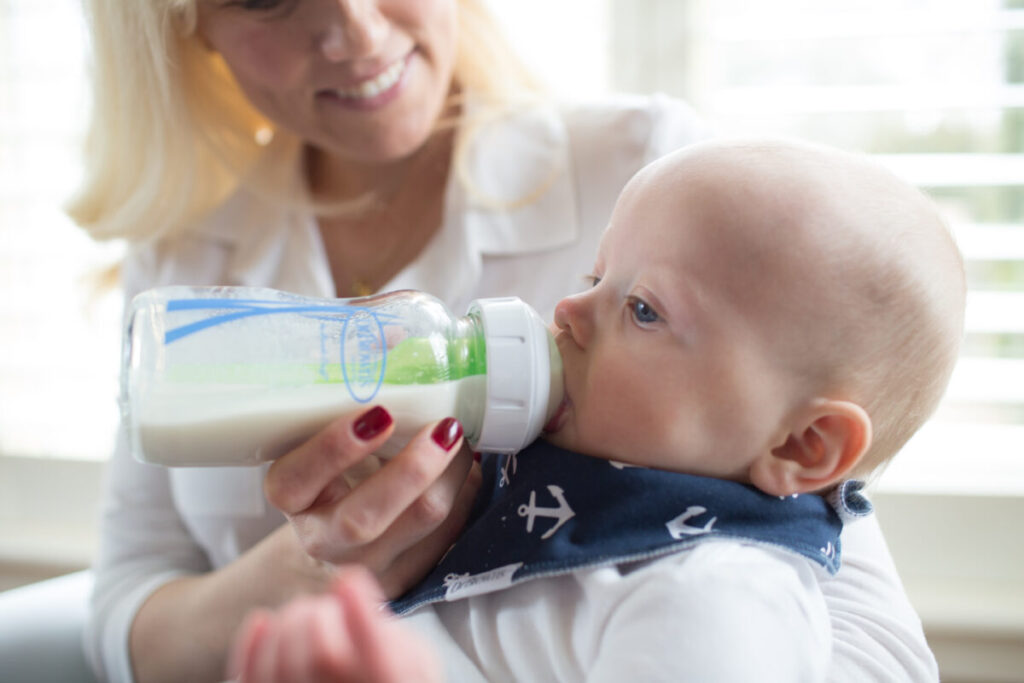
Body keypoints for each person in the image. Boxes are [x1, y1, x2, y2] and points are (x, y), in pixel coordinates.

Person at [34, 0, 937, 680]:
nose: (353, 30)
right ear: (187, 26)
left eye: (639, 308)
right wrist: (314, 576)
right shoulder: (186, 251)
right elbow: (125, 607)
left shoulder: (668, 183)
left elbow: (855, 620)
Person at [227, 140, 967, 682]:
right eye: (594, 276)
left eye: (643, 309)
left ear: (803, 446)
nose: (568, 309)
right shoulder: (555, 486)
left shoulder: (714, 594)